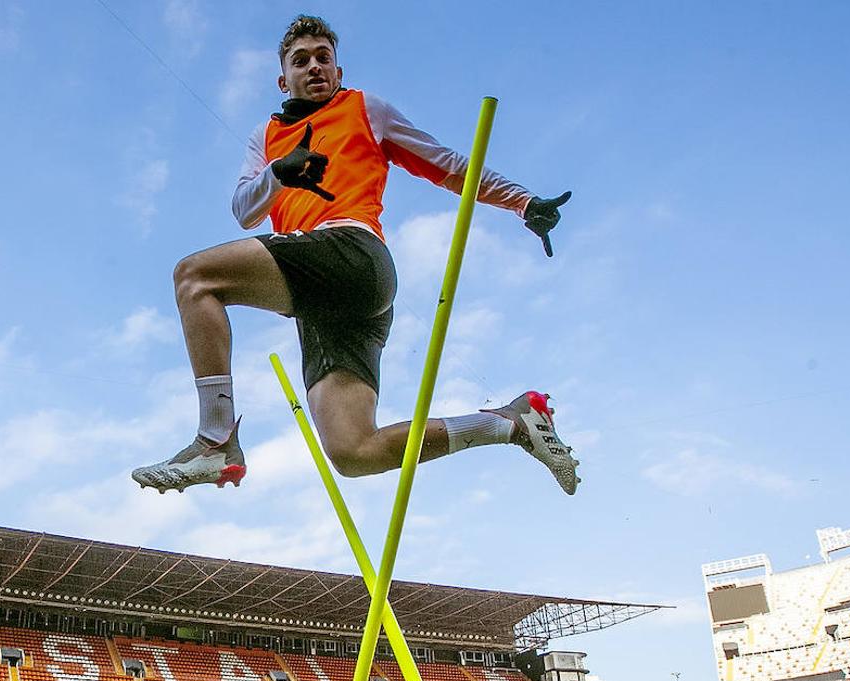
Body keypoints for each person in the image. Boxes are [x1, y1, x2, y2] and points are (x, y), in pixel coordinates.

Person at [132, 15, 579, 495]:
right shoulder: (266, 137)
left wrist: (523, 202)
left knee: (195, 277)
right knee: (354, 452)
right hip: (321, 303)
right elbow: (244, 210)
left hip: (353, 254)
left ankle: (215, 439)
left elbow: (447, 166)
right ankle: (512, 424)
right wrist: (279, 174)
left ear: (339, 72)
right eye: (301, 60)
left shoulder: (366, 109)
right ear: (284, 79)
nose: (315, 67)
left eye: (325, 58)